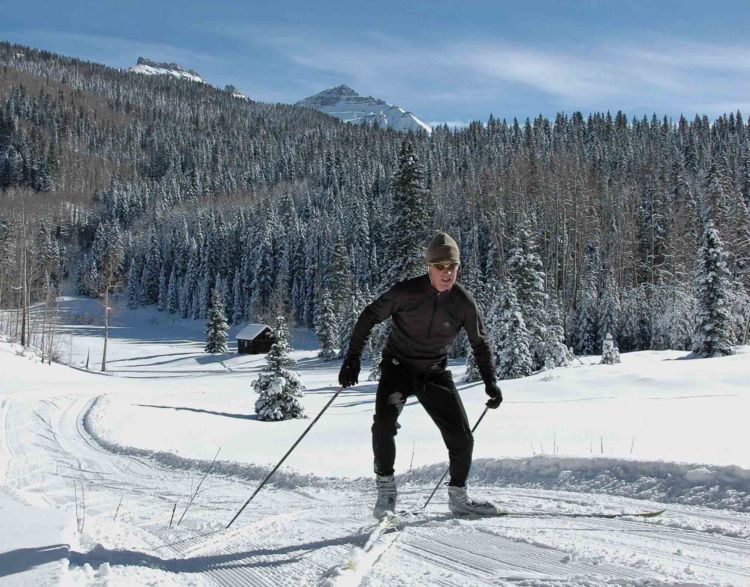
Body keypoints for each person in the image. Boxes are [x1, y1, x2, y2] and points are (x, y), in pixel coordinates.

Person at [338, 232, 503, 518]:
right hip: (398, 369)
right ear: (428, 266)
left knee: (462, 438)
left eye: (452, 266)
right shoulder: (406, 292)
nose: (447, 272)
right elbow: (369, 316)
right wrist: (352, 358)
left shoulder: (463, 302)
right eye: (440, 266)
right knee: (383, 426)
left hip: (434, 372)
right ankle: (387, 493)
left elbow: (480, 342)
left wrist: (491, 382)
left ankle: (459, 498)